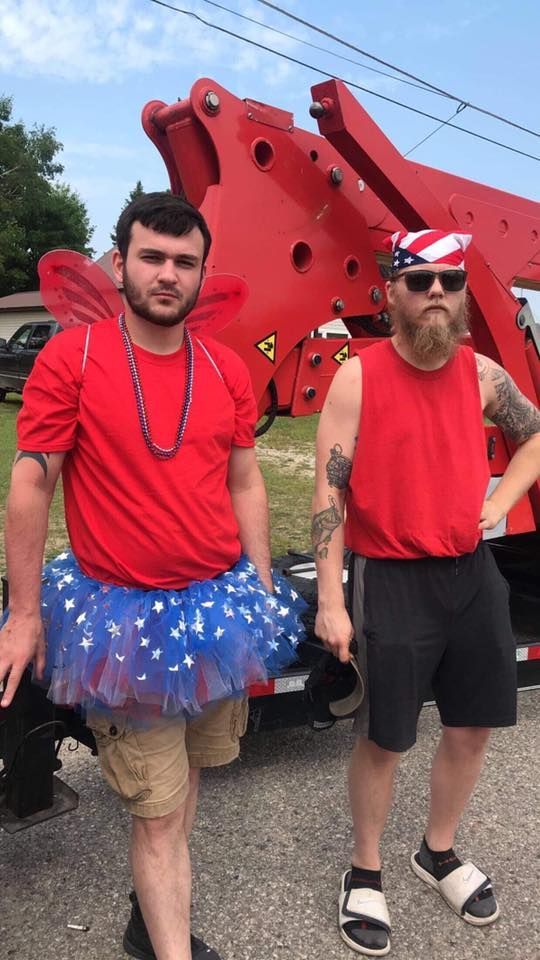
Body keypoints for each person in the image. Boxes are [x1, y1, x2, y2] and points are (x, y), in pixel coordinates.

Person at [0, 192, 303, 960]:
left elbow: (245, 480)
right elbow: (33, 481)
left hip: (215, 612)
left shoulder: (227, 369)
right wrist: (25, 613)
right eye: (152, 258)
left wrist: (261, 582)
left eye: (184, 262)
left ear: (202, 274)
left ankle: (148, 911)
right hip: (122, 623)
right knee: (160, 813)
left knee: (192, 778)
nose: (168, 275)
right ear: (120, 263)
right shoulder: (73, 357)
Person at [311, 228, 540, 956]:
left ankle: (437, 852)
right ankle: (365, 869)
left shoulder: (482, 376)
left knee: (472, 728)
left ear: (463, 293)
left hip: (472, 575)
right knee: (387, 737)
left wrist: (500, 504)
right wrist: (330, 599)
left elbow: (534, 436)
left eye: (449, 279)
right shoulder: (359, 377)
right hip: (391, 576)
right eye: (420, 281)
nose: (435, 292)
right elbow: (328, 492)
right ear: (392, 295)